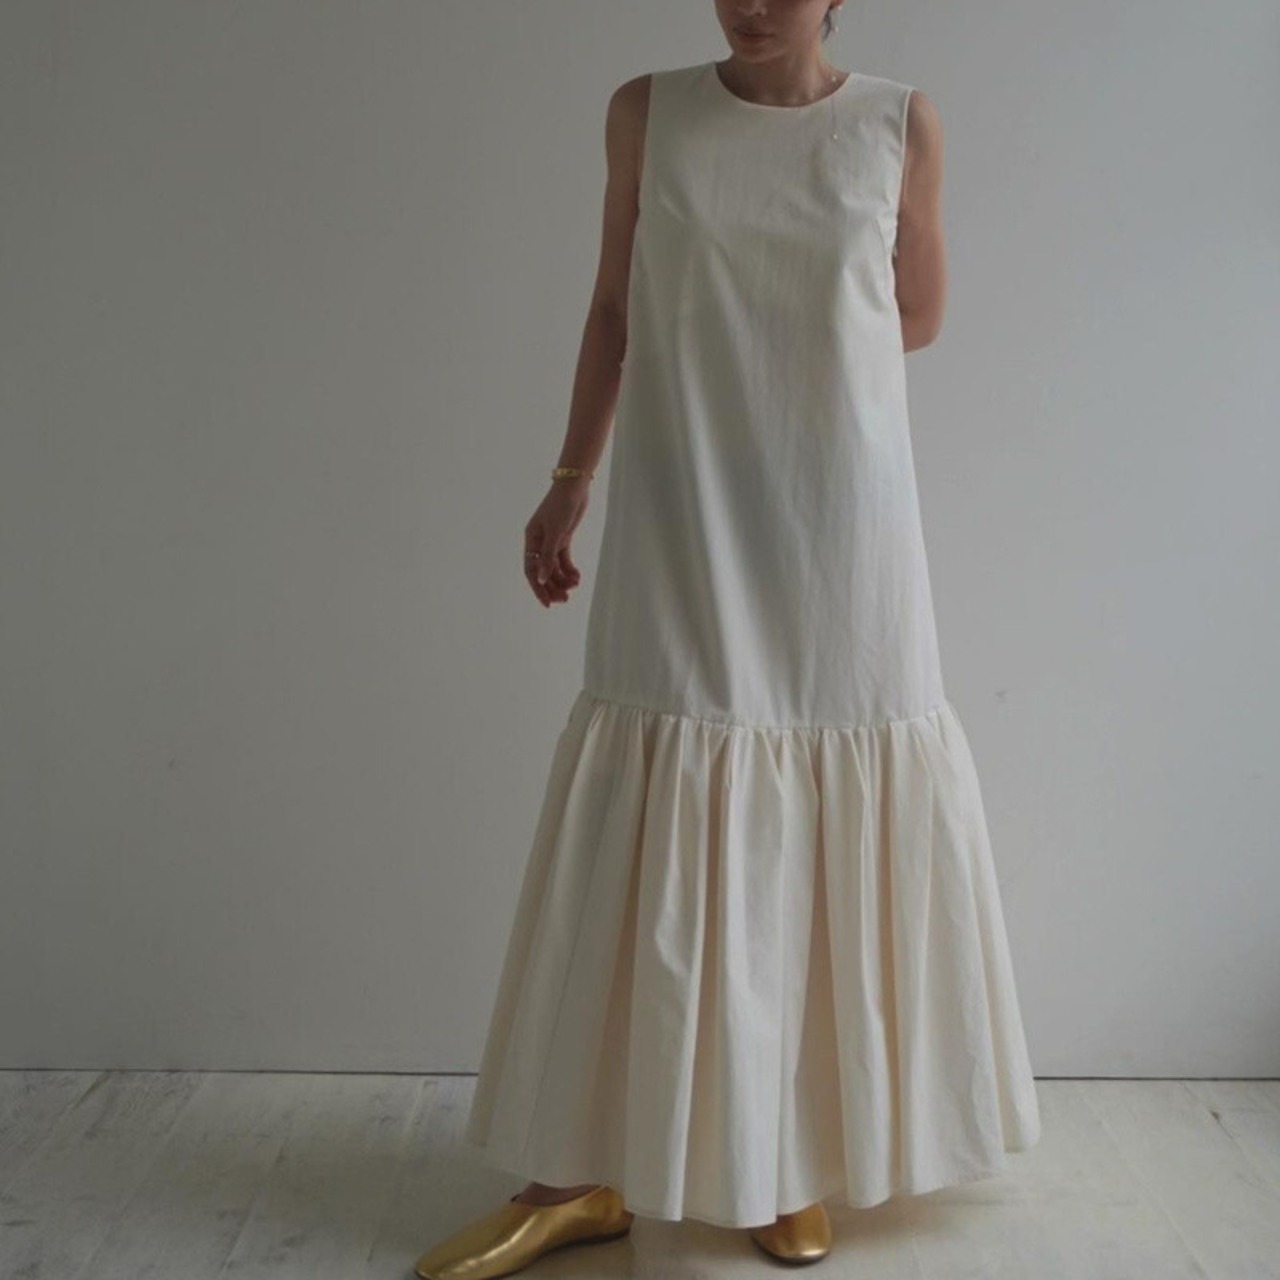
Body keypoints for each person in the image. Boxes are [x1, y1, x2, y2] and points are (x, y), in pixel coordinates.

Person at [415, 2, 1041, 1276]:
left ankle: (780, 1155)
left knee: (811, 783)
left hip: (837, 518)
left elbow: (917, 314)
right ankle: (575, 1171)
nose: (749, 4)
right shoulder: (647, 112)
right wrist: (569, 478)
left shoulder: (897, 123)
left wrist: (783, 350)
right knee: (650, 791)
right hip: (679, 499)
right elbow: (613, 306)